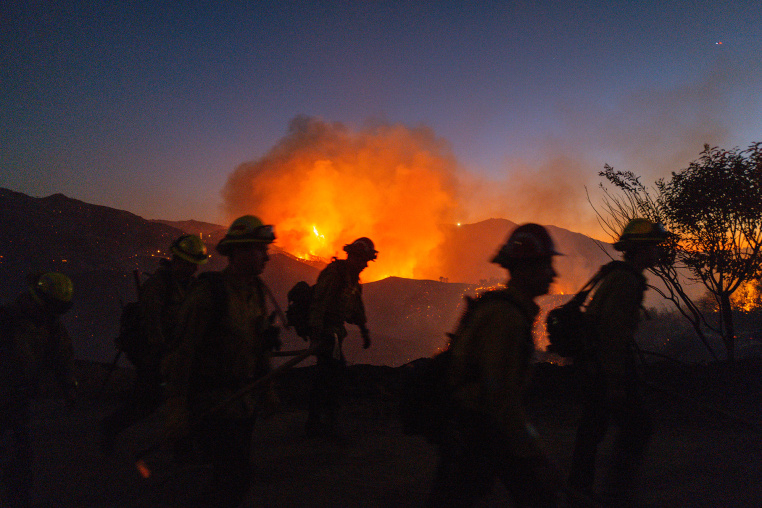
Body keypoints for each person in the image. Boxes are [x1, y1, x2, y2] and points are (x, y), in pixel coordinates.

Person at [429, 224, 562, 507]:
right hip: (476, 428)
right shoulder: (506, 318)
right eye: (547, 265)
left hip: (473, 425)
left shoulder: (506, 309)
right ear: (526, 269)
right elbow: (500, 397)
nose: (554, 274)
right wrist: (534, 452)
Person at [163, 215, 280, 508]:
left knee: (227, 477)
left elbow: (258, 344)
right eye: (258, 249)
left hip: (243, 402)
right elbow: (181, 354)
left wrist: (266, 389)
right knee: (235, 477)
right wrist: (176, 408)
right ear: (237, 252)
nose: (266, 256)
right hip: (212, 402)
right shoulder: (208, 294)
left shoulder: (255, 292)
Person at [567, 218, 669, 506]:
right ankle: (615, 493)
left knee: (592, 428)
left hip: (594, 363)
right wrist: (614, 380)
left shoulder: (619, 275)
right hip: (604, 366)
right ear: (641, 249)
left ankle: (581, 488)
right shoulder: (626, 280)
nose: (658, 252)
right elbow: (612, 333)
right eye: (654, 246)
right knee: (637, 425)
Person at [100, 234, 208, 454]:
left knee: (186, 401)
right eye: (189, 264)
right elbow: (152, 322)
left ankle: (183, 449)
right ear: (177, 260)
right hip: (156, 354)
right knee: (146, 402)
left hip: (179, 353)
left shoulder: (190, 286)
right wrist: (161, 354)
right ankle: (109, 428)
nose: (193, 269)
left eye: (195, 265)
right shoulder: (158, 286)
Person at [1, 272, 78, 508]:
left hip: (17, 399)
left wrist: (70, 389)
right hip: (6, 396)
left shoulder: (50, 325)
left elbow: (63, 358)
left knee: (21, 460)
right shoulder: (6, 321)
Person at [305, 237, 376, 438]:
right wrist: (317, 334)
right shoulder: (335, 274)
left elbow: (357, 307)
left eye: (367, 261)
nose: (365, 265)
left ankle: (318, 422)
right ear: (352, 256)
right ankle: (324, 424)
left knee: (327, 376)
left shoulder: (352, 279)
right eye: (362, 259)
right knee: (331, 376)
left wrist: (364, 332)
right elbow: (319, 303)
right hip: (326, 333)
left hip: (335, 334)